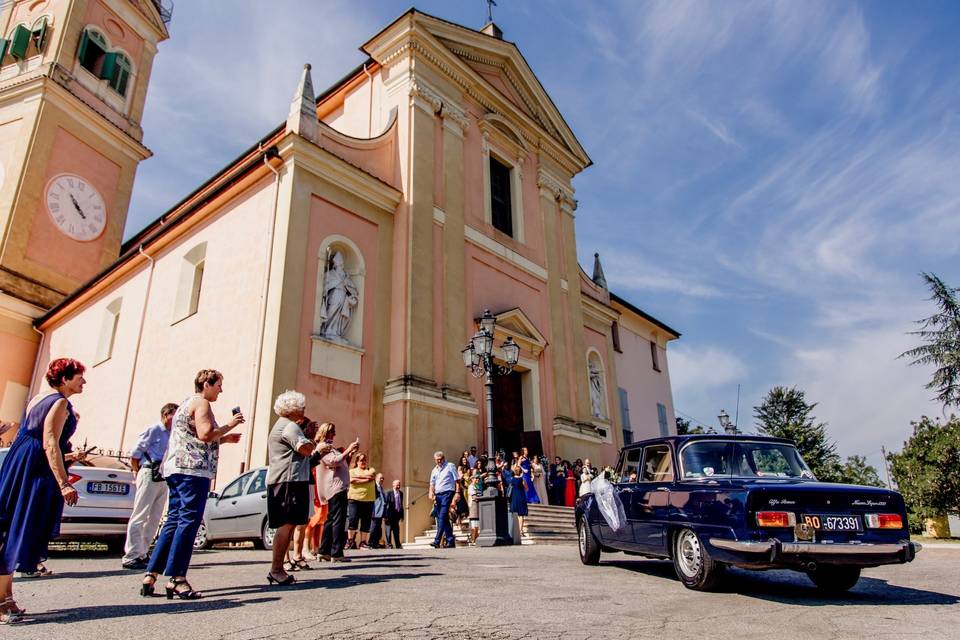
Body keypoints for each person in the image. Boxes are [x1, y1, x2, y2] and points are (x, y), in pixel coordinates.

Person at [140, 369, 244, 600]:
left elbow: (193, 436)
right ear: (207, 384)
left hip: (176, 468)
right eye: (218, 385)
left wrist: (223, 439)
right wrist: (230, 425)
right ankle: (177, 578)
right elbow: (206, 434)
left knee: (174, 520)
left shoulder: (185, 404)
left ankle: (151, 574)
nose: (221, 390)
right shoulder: (202, 404)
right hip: (193, 471)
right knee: (189, 521)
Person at [0, 358, 85, 623]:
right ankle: (2, 602)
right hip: (34, 471)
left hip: (19, 462)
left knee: (10, 528)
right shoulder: (60, 402)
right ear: (65, 379)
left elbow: (38, 439)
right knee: (19, 530)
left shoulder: (39, 398)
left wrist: (68, 457)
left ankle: (6, 597)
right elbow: (49, 443)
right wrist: (64, 483)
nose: (83, 381)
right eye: (79, 376)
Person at [265, 391, 331, 586]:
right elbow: (304, 449)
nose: (303, 409)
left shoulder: (285, 426)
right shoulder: (290, 426)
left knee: (290, 524)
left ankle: (278, 568)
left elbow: (304, 459)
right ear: (291, 409)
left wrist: (314, 449)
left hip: (290, 479)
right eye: (301, 406)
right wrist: (316, 445)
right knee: (286, 525)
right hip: (288, 481)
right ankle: (276, 569)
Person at [121, 402, 178, 570]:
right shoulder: (154, 430)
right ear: (166, 415)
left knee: (154, 517)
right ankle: (131, 555)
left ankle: (143, 552)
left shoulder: (173, 434)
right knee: (140, 515)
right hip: (149, 472)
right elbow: (135, 454)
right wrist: (138, 472)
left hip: (163, 476)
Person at [317, 423, 359, 562]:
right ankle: (336, 553)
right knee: (338, 520)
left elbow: (341, 462)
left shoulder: (331, 448)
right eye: (332, 432)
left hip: (337, 487)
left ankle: (324, 551)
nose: (334, 434)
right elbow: (333, 462)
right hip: (335, 487)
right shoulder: (323, 447)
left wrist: (350, 454)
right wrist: (348, 450)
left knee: (331, 520)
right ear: (326, 432)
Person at [346, 453, 376, 550]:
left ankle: (363, 542)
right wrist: (366, 479)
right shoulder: (352, 471)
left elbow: (371, 476)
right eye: (361, 460)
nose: (363, 462)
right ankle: (350, 541)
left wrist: (358, 478)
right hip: (354, 499)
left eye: (364, 460)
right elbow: (351, 480)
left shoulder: (371, 469)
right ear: (357, 461)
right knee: (353, 520)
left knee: (366, 521)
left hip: (369, 499)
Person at [428, 451, 458, 548]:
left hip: (448, 493)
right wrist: (431, 493)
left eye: (440, 459)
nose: (439, 461)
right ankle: (450, 540)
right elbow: (432, 484)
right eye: (437, 460)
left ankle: (437, 541)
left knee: (442, 516)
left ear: (444, 458)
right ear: (435, 460)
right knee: (444, 519)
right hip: (438, 495)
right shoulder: (434, 470)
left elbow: (457, 480)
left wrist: (457, 493)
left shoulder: (450, 466)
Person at [509, 464, 529, 536]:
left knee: (516, 515)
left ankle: (516, 531)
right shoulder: (521, 479)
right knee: (521, 515)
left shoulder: (512, 479)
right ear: (520, 472)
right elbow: (527, 488)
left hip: (514, 498)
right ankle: (520, 531)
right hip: (521, 498)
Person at [384, 479, 404, 549]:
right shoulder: (389, 493)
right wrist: (385, 515)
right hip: (389, 515)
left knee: (396, 531)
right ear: (393, 485)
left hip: (397, 515)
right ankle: (389, 544)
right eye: (397, 485)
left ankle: (397, 544)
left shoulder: (401, 493)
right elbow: (386, 505)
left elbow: (401, 504)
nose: (398, 486)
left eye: (399, 485)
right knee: (388, 531)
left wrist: (402, 515)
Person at [368, 473, 386, 548]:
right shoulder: (373, 486)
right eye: (380, 478)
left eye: (383, 478)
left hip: (380, 511)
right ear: (376, 478)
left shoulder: (381, 488)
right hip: (374, 510)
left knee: (378, 528)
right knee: (373, 527)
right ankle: (370, 542)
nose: (382, 480)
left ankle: (375, 542)